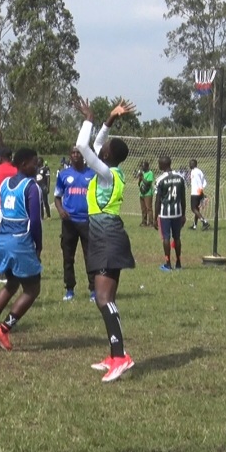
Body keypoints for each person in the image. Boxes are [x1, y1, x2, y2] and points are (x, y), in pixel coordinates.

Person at [71, 98, 137, 383]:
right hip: (104, 234)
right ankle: (113, 355)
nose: (102, 148)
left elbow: (85, 147)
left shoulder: (107, 174)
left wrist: (89, 117)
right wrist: (109, 120)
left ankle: (121, 356)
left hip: (107, 236)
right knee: (103, 298)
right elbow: (97, 144)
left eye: (105, 149)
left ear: (109, 156)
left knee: (104, 298)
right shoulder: (110, 170)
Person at [0, 147, 45, 353]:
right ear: (24, 164)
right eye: (34, 161)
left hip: (3, 238)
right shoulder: (32, 187)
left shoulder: (5, 184)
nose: (37, 165)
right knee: (32, 289)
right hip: (19, 240)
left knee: (11, 283)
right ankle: (3, 329)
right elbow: (34, 220)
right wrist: (38, 244)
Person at [54, 147, 96, 300]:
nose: (76, 155)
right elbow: (57, 197)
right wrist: (60, 210)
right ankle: (69, 289)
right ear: (69, 156)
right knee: (68, 257)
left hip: (87, 221)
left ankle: (93, 290)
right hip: (69, 222)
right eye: (73, 152)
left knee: (90, 257)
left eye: (78, 152)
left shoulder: (92, 174)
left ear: (83, 155)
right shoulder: (63, 175)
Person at [154, 155, 186, 271]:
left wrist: (155, 217)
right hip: (177, 213)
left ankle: (167, 263)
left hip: (165, 214)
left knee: (166, 238)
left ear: (164, 164)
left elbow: (158, 200)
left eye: (159, 163)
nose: (158, 165)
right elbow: (183, 197)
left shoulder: (160, 179)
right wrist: (183, 214)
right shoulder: (180, 177)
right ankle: (178, 263)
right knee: (177, 238)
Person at [188, 159, 209, 230]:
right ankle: (194, 225)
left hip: (195, 192)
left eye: (191, 163)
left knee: (193, 208)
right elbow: (204, 182)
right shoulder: (199, 171)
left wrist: (200, 192)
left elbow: (199, 182)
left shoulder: (195, 172)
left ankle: (204, 221)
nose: (189, 165)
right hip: (199, 192)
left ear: (194, 164)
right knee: (197, 209)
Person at [135, 161, 154, 227]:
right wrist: (139, 178)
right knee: (143, 209)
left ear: (147, 166)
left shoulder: (150, 173)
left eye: (143, 166)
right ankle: (144, 222)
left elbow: (148, 183)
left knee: (149, 208)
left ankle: (151, 222)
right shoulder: (142, 173)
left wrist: (142, 177)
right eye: (141, 166)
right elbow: (139, 184)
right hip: (141, 193)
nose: (142, 168)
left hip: (148, 193)